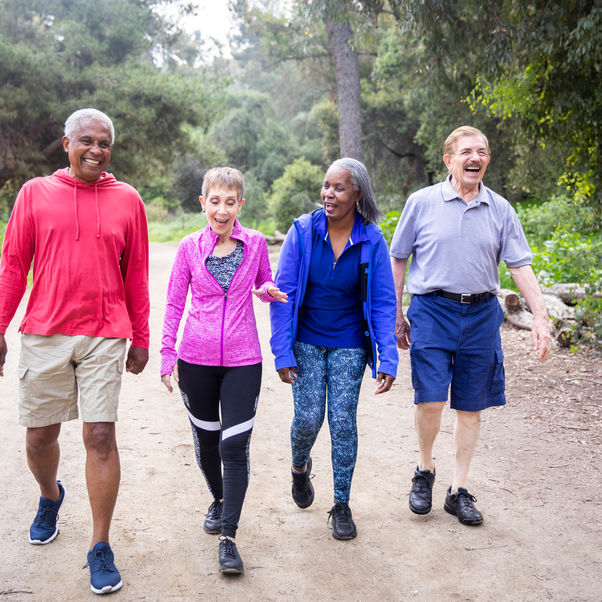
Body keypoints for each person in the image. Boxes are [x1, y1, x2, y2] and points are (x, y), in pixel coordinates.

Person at [0, 108, 150, 594]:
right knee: (38, 439)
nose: (96, 150)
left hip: (106, 333)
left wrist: (142, 336)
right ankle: (50, 495)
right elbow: (13, 265)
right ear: (65, 144)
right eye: (85, 140)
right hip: (45, 331)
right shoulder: (34, 194)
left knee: (100, 437)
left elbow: (137, 275)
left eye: (104, 143)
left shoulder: (127, 200)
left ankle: (100, 545)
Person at [390, 125, 552, 526]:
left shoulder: (501, 209)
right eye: (465, 152)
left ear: (487, 160)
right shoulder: (422, 202)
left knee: (471, 407)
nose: (474, 157)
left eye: (481, 151)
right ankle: (425, 470)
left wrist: (541, 317)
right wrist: (395, 313)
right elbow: (398, 258)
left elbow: (520, 266)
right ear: (449, 160)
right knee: (429, 399)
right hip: (432, 309)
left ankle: (458, 489)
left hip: (481, 315)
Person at [160, 166, 287, 574]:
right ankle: (218, 499)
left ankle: (228, 537)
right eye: (214, 201)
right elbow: (175, 304)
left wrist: (267, 292)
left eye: (229, 202)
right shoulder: (188, 247)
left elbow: (264, 283)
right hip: (194, 361)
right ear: (203, 203)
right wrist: (166, 355)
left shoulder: (253, 244)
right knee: (208, 443)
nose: (221, 210)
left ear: (240, 205)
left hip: (243, 360)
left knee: (234, 447)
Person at [270, 157, 398, 540]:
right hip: (306, 339)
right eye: (326, 186)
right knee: (308, 419)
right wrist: (282, 352)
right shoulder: (302, 232)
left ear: (357, 193)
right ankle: (298, 467)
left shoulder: (371, 239)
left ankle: (341, 504)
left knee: (342, 421)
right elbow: (283, 296)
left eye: (339, 188)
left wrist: (386, 357)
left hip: (349, 343)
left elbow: (382, 303)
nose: (329, 194)